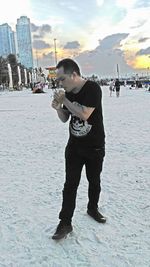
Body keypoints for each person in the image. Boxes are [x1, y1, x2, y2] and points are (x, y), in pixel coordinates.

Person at [51, 58, 106, 240]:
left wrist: (64, 99)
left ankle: (92, 208)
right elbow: (64, 119)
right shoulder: (70, 92)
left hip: (94, 146)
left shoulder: (92, 89)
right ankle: (65, 222)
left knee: (94, 181)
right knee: (70, 185)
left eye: (62, 79)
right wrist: (58, 107)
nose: (59, 83)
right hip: (74, 146)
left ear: (74, 75)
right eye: (58, 81)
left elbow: (84, 113)